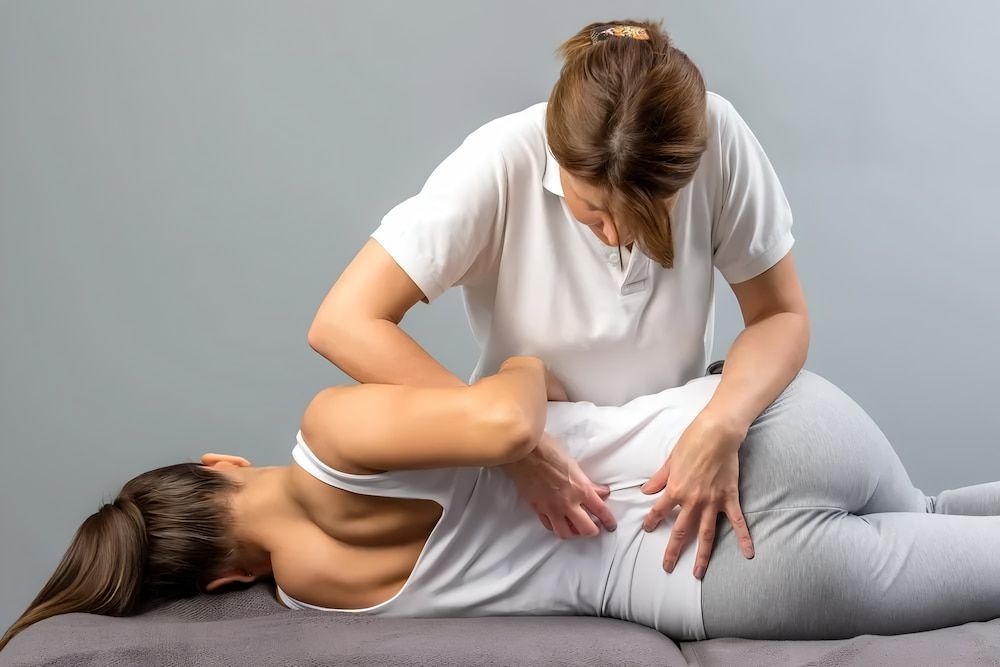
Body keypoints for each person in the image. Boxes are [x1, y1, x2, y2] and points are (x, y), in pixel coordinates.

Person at [4, 357, 1000, 650]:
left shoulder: (314, 597)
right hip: (762, 424)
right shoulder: (333, 431)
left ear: (222, 577)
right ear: (218, 462)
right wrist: (518, 370)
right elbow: (503, 411)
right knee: (929, 503)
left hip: (706, 574)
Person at [307, 18, 810, 581]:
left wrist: (724, 424)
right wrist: (505, 446)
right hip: (535, 466)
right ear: (557, 152)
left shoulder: (718, 135)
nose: (618, 235)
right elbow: (343, 321)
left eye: (648, 214)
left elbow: (779, 315)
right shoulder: (501, 160)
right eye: (592, 210)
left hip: (677, 451)